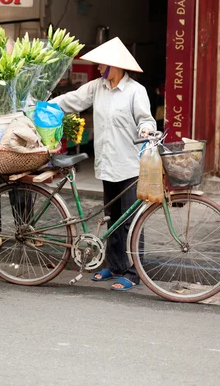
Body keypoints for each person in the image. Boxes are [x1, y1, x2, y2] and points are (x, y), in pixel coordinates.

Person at [52, 37, 156, 291]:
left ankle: (133, 272)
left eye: (101, 65)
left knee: (131, 221)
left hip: (130, 165)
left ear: (116, 66)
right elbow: (71, 100)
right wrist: (41, 106)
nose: (98, 69)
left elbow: (147, 120)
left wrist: (145, 130)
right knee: (113, 218)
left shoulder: (135, 91)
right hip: (108, 164)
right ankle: (115, 265)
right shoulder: (97, 87)